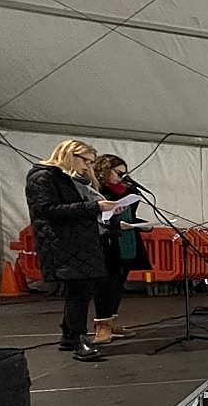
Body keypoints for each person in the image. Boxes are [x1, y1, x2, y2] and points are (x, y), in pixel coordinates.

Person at [25, 140, 118, 361]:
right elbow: (48, 210)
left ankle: (69, 336)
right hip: (61, 243)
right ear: (70, 155)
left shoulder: (65, 178)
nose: (88, 166)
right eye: (86, 161)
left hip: (77, 242)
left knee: (82, 289)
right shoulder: (42, 177)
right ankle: (77, 339)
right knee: (78, 291)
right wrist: (94, 207)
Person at [91, 154, 151, 344]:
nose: (122, 177)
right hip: (107, 242)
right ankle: (102, 326)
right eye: (119, 173)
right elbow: (97, 219)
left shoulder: (129, 191)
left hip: (128, 240)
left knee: (118, 284)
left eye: (125, 173)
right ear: (104, 170)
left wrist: (144, 224)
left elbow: (130, 216)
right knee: (106, 285)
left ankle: (113, 321)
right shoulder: (96, 191)